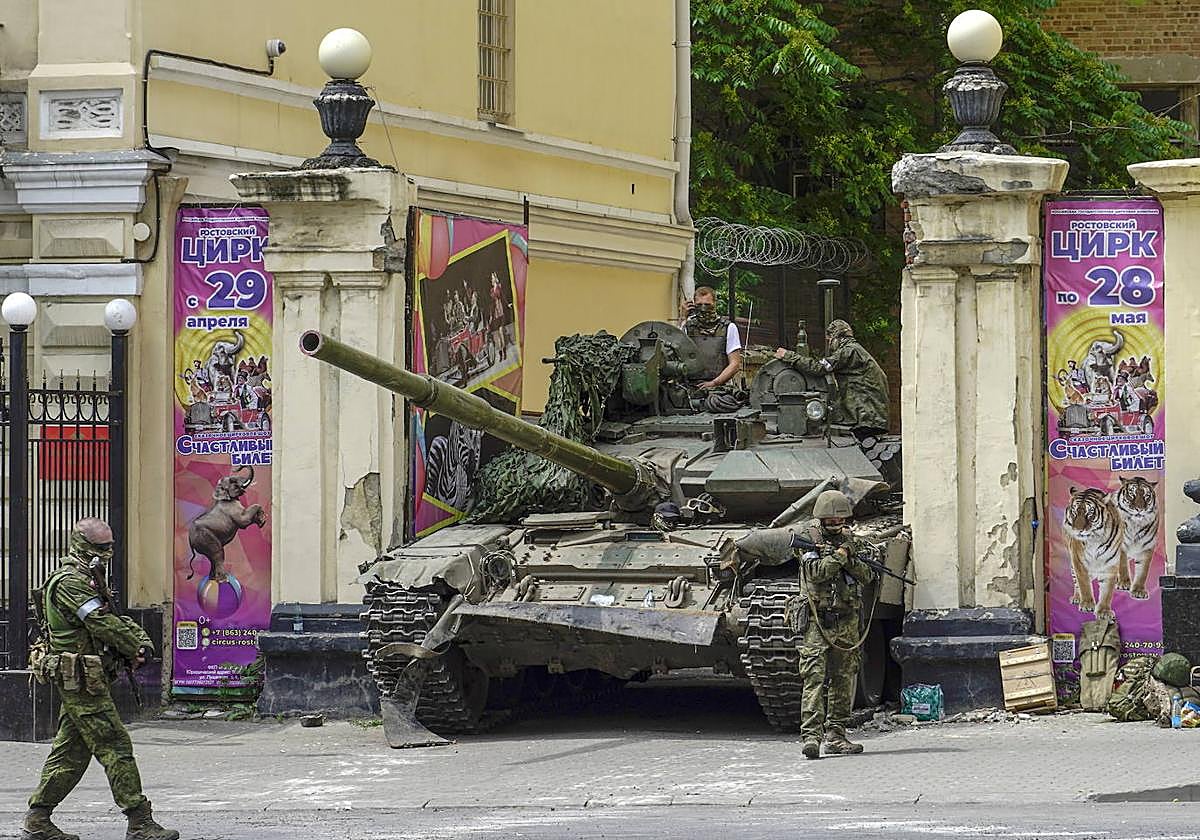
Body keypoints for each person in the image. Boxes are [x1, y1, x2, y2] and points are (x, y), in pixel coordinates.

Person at [22, 518, 178, 840]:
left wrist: (139, 643)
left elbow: (114, 618)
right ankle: (139, 821)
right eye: (101, 547)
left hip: (89, 678)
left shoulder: (91, 580)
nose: (108, 553)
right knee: (115, 745)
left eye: (110, 547)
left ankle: (37, 819)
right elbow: (100, 622)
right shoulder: (69, 583)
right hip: (80, 680)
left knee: (70, 752)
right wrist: (136, 645)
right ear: (81, 545)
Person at [795, 490, 878, 760]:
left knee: (843, 678)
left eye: (839, 521)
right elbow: (816, 573)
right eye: (830, 521)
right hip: (817, 621)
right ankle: (811, 737)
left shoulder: (850, 541)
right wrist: (841, 555)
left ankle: (836, 734)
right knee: (814, 678)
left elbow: (867, 576)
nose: (835, 525)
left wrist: (849, 555)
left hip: (846, 619)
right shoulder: (808, 540)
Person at [775, 319, 889, 437]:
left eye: (829, 340)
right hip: (871, 416)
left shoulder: (849, 351)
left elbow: (819, 367)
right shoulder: (856, 350)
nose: (829, 344)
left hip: (866, 418)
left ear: (836, 337)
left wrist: (789, 356)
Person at [679, 286, 742, 390]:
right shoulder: (687, 327)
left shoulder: (728, 328)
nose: (703, 308)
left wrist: (714, 383)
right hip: (690, 387)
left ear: (715, 304)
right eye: (699, 305)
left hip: (720, 388)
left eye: (707, 305)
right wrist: (683, 318)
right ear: (693, 305)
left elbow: (735, 364)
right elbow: (677, 348)